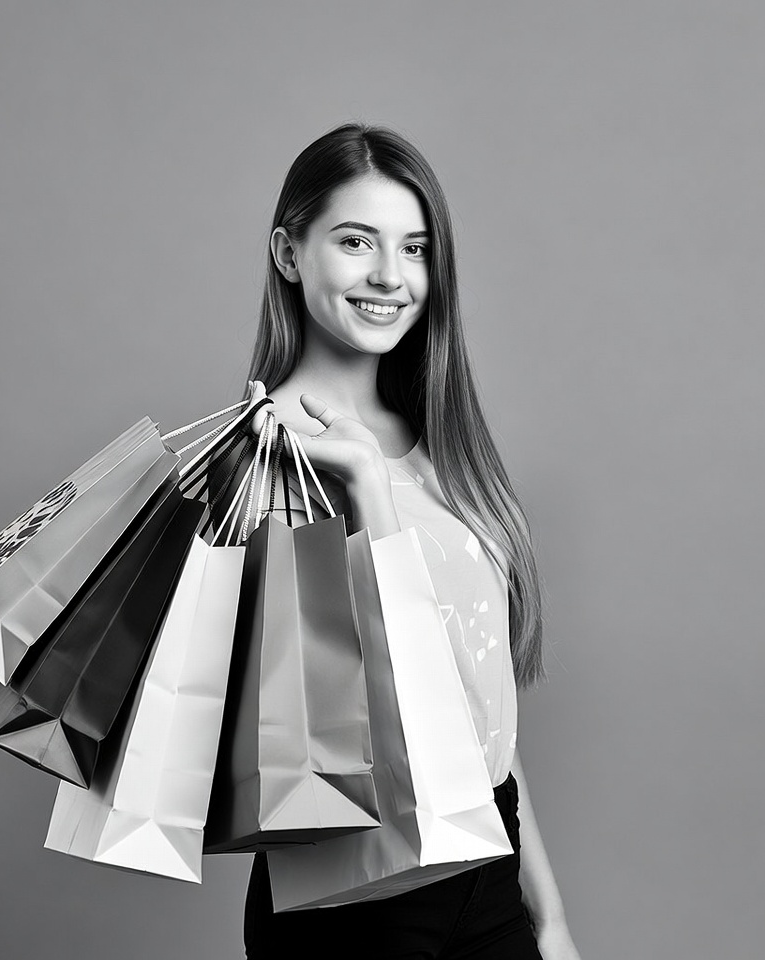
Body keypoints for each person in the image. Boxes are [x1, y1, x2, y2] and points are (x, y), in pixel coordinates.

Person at [236, 121, 582, 960]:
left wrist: (550, 914)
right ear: (289, 253)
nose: (391, 277)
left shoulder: (442, 442)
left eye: (416, 248)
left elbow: (476, 711)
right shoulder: (267, 462)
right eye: (356, 242)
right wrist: (364, 489)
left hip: (487, 863)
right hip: (356, 897)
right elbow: (384, 718)